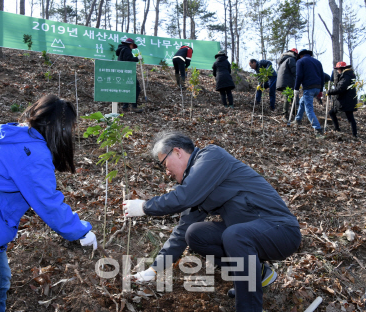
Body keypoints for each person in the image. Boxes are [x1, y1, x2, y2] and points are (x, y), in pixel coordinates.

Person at [0, 95, 98, 311]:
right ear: (58, 128)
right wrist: (80, 231)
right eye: (69, 129)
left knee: (0, 283)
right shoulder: (31, 152)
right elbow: (47, 202)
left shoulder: (25, 141)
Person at [123, 131, 301, 312]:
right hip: (251, 234)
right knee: (194, 234)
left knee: (234, 234)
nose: (166, 171)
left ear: (177, 152)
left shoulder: (211, 157)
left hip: (281, 230)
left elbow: (184, 197)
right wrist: (154, 269)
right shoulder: (197, 186)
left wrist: (145, 207)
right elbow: (181, 231)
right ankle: (259, 273)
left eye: (164, 164)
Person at [291, 49, 324, 136]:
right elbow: (322, 76)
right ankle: (298, 119)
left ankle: (318, 129)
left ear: (301, 55)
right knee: (302, 101)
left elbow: (299, 76)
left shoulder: (300, 61)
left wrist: (296, 88)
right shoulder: (318, 62)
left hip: (309, 88)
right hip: (317, 88)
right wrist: (321, 90)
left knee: (308, 109)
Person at [326, 62, 358, 137]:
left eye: (338, 69)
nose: (337, 71)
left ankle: (353, 134)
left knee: (349, 117)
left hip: (345, 101)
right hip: (347, 100)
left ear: (341, 68)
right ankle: (352, 133)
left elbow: (340, 89)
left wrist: (329, 92)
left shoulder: (346, 77)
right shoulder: (348, 76)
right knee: (348, 117)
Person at [116, 38, 143, 113]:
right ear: (130, 44)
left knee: (128, 89)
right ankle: (133, 107)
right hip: (128, 72)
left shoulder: (122, 49)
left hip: (123, 72)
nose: (132, 47)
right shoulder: (126, 49)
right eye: (132, 45)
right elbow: (128, 60)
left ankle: (125, 107)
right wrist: (137, 58)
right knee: (136, 88)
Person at [276, 48, 298, 119]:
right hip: (288, 82)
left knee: (289, 97)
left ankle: (292, 114)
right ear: (294, 54)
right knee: (291, 98)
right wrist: (299, 80)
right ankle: (286, 115)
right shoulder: (291, 59)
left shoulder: (283, 60)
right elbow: (294, 71)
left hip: (283, 82)